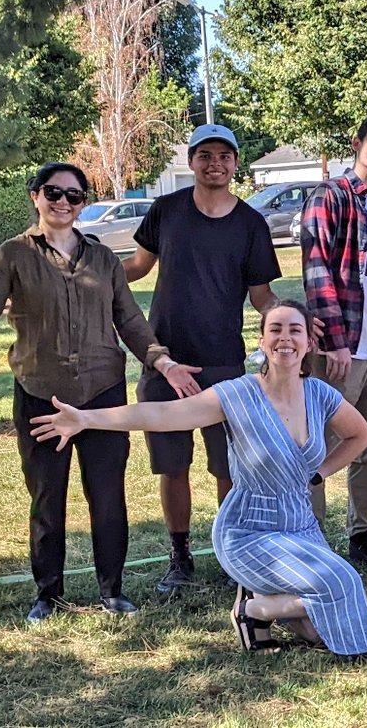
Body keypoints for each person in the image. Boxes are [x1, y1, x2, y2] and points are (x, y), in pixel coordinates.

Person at [0, 163, 198, 622]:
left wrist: (161, 360)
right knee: (48, 496)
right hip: (40, 393)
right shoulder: (12, 256)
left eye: (74, 195)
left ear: (83, 203)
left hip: (102, 395)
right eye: (53, 192)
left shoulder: (103, 260)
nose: (63, 202)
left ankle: (112, 591)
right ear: (35, 196)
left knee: (107, 494)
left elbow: (129, 320)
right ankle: (48, 594)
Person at [30, 301, 367, 659]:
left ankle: (260, 607)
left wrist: (319, 473)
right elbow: (162, 413)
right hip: (249, 531)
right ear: (261, 342)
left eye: (295, 330)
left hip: (301, 527)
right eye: (275, 330)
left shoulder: (320, 395)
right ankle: (252, 611)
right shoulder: (237, 394)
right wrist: (87, 419)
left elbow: (360, 435)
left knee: (320, 622)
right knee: (342, 584)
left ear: (309, 342)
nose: (285, 339)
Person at [122, 124, 283, 593]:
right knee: (172, 467)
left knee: (228, 469)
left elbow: (262, 295)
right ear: (191, 162)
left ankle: (233, 554)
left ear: (235, 163)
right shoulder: (167, 211)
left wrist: (286, 320)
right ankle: (180, 555)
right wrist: (86, 275)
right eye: (205, 155)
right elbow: (135, 267)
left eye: (224, 156)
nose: (215, 163)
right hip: (165, 361)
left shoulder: (251, 224)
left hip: (224, 366)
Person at [301, 113, 367, 570]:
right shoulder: (330, 196)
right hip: (341, 350)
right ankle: (311, 538)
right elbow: (317, 268)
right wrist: (334, 342)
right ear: (359, 142)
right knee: (322, 447)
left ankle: (362, 534)